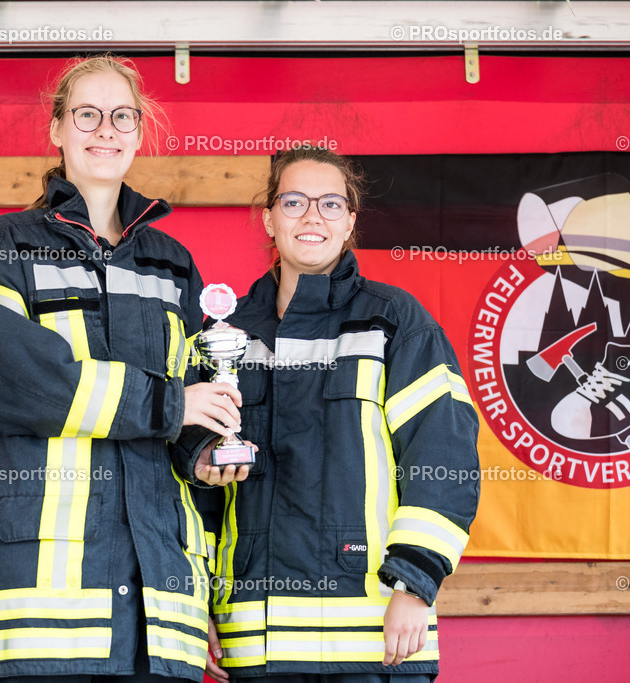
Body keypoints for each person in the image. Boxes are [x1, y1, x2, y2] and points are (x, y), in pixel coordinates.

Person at [0, 55, 245, 683]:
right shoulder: (1, 248)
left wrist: (200, 450)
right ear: (57, 128)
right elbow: (17, 381)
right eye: (87, 114)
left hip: (159, 607)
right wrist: (172, 408)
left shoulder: (173, 265)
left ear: (140, 132)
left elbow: (198, 397)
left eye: (122, 116)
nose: (105, 129)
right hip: (39, 612)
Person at [175, 147, 480, 683]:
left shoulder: (396, 323)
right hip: (252, 639)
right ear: (269, 218)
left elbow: (444, 459)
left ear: (350, 223)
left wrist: (414, 584)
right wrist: (198, 603)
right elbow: (189, 489)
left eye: (330, 203)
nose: (312, 216)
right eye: (294, 201)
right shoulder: (224, 336)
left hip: (376, 639)